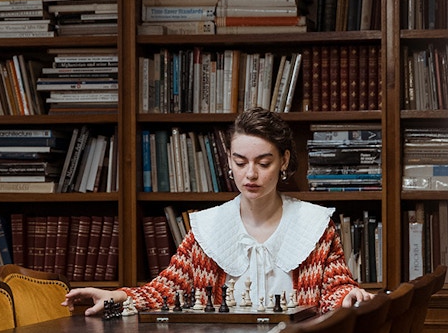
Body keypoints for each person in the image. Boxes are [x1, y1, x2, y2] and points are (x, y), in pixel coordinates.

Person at [64, 108, 373, 316]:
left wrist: (349, 296)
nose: (250, 174)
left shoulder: (315, 224)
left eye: (263, 163)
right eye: (240, 162)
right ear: (228, 160)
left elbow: (336, 287)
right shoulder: (208, 228)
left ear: (284, 161)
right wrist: (118, 297)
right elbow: (167, 288)